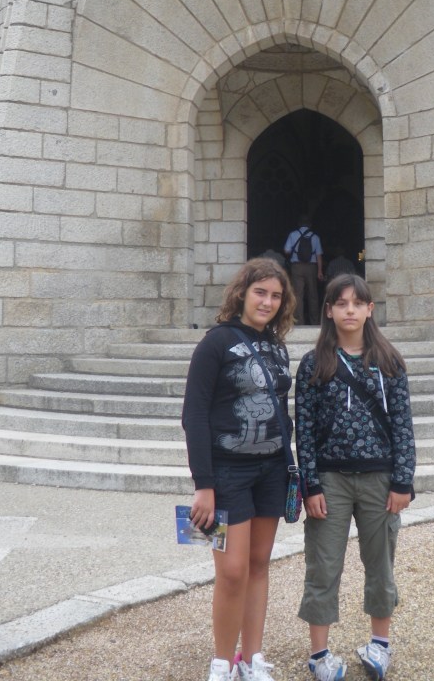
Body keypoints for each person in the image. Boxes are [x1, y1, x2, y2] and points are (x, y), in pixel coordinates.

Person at [295, 274, 416, 681]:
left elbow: (403, 425)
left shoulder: (389, 361)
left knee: (381, 562)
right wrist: (309, 485)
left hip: (380, 479)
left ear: (369, 310)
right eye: (341, 303)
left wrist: (403, 481)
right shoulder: (314, 363)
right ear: (328, 310)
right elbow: (304, 430)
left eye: (357, 303)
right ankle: (320, 653)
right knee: (323, 565)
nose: (349, 310)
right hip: (329, 481)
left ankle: (379, 644)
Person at [182, 258, 297, 681]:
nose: (267, 302)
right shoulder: (215, 343)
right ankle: (221, 661)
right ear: (242, 294)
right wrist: (203, 485)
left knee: (260, 564)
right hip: (227, 472)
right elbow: (194, 414)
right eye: (260, 292)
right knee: (231, 572)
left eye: (275, 295)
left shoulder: (278, 346)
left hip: (272, 470)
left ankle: (251, 659)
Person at [284, 217, 324, 324]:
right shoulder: (315, 237)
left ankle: (299, 321)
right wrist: (320, 271)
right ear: (310, 225)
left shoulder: (293, 235)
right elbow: (319, 255)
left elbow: (286, 250)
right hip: (311, 267)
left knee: (298, 294)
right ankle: (314, 321)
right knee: (313, 295)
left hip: (296, 267)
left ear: (299, 224)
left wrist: (294, 250)